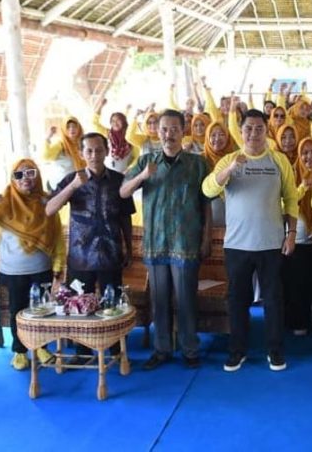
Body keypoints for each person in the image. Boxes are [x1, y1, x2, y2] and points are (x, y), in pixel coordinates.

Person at [202, 109, 298, 372]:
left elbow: (291, 199)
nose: (254, 133)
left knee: (274, 300)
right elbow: (208, 189)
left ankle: (275, 351)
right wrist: (230, 169)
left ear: (266, 131)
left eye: (259, 128)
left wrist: (291, 234)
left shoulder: (278, 160)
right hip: (237, 245)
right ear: (241, 131)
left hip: (271, 244)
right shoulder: (229, 160)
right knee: (237, 301)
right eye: (248, 128)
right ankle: (237, 351)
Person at [120, 109, 211, 370]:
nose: (168, 134)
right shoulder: (146, 161)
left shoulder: (197, 164)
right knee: (159, 300)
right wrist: (142, 176)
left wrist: (206, 238)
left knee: (186, 300)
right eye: (163, 129)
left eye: (174, 129)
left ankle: (190, 349)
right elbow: (123, 192)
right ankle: (162, 350)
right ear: (156, 132)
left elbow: (206, 204)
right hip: (156, 243)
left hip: (186, 243)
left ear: (183, 131)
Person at [46, 133, 136, 361]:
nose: (94, 155)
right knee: (78, 306)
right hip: (80, 256)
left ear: (106, 151)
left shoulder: (118, 180)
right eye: (89, 150)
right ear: (81, 153)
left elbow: (126, 217)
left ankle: (115, 350)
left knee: (112, 305)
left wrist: (129, 247)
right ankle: (82, 352)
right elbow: (49, 209)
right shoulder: (72, 179)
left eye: (99, 150)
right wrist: (73, 186)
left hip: (111, 254)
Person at [0, 160, 65, 370]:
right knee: (17, 312)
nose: (25, 178)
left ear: (37, 175)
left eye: (30, 173)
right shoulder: (4, 203)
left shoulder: (47, 202)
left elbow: (57, 236)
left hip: (42, 268)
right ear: (12, 179)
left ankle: (42, 348)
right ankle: (19, 351)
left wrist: (58, 265)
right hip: (13, 270)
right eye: (18, 175)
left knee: (43, 311)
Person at [283, 137, 312, 336]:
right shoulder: (291, 175)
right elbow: (284, 206)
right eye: (304, 153)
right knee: (297, 285)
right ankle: (299, 322)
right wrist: (302, 188)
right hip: (297, 241)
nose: (309, 157)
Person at [42, 116, 85, 191]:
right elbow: (46, 156)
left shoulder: (83, 143)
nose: (71, 129)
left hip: (79, 185)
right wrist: (48, 138)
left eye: (74, 126)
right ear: (64, 129)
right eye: (68, 127)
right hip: (61, 187)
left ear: (79, 128)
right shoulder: (61, 144)